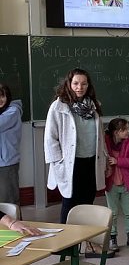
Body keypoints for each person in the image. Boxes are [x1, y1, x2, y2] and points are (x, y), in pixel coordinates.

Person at [44, 69, 106, 223]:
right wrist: (59, 163)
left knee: (88, 203)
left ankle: (85, 241)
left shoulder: (93, 106)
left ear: (88, 85)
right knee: (70, 204)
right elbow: (50, 139)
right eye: (76, 83)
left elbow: (100, 136)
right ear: (69, 84)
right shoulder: (59, 107)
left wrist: (105, 157)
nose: (80, 87)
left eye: (84, 84)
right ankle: (66, 243)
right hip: (71, 163)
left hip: (91, 161)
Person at [104, 117, 129, 252]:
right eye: (124, 129)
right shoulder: (105, 143)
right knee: (112, 213)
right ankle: (112, 237)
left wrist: (117, 161)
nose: (128, 131)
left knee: (128, 212)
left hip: (126, 183)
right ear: (116, 132)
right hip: (111, 183)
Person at [0, 84, 22, 206]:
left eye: (2, 96)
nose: (0, 100)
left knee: (8, 202)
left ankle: (15, 225)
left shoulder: (13, 111)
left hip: (6, 164)